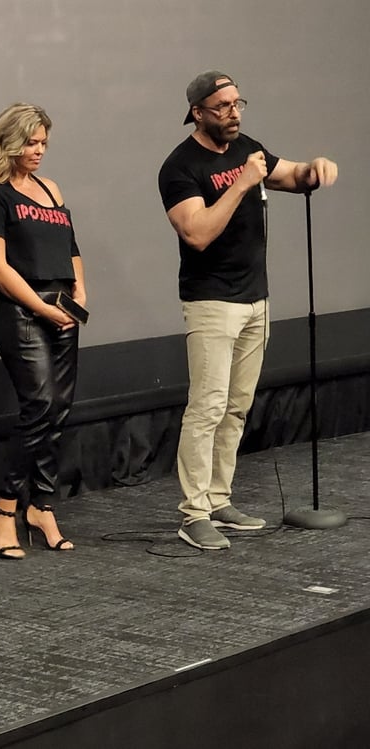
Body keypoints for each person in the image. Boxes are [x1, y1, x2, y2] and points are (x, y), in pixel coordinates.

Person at [158, 71, 338, 550]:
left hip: (255, 299)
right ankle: (193, 512)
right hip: (212, 302)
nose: (233, 113)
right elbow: (196, 232)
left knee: (236, 408)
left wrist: (315, 168)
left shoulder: (248, 148)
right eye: (222, 106)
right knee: (208, 407)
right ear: (197, 112)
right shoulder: (180, 168)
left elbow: (293, 175)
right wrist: (239, 184)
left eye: (238, 104)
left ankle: (219, 499)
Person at [0, 103, 86, 559]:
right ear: (10, 142)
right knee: (37, 404)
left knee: (59, 409)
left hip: (62, 310)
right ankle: (3, 509)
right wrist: (41, 307)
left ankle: (40, 506)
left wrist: (79, 294)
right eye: (31, 143)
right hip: (21, 312)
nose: (38, 151)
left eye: (43, 144)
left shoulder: (49, 188)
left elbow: (71, 248)